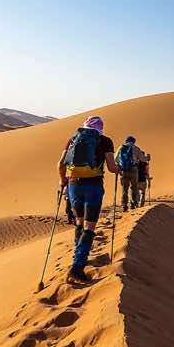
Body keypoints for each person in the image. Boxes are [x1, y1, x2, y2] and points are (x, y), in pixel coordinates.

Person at [58, 116, 118, 284]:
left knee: (79, 222)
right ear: (101, 128)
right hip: (93, 186)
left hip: (73, 185)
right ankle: (77, 266)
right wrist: (118, 169)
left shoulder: (73, 139)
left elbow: (60, 164)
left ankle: (79, 256)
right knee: (90, 226)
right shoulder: (105, 141)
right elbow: (112, 167)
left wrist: (63, 180)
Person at [116, 136, 147, 212]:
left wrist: (119, 167)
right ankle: (133, 204)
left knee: (124, 189)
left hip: (124, 171)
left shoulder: (121, 148)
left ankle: (124, 205)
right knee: (134, 188)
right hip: (133, 170)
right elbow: (143, 159)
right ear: (134, 141)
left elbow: (115, 159)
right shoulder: (136, 148)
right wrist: (147, 158)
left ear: (126, 141)